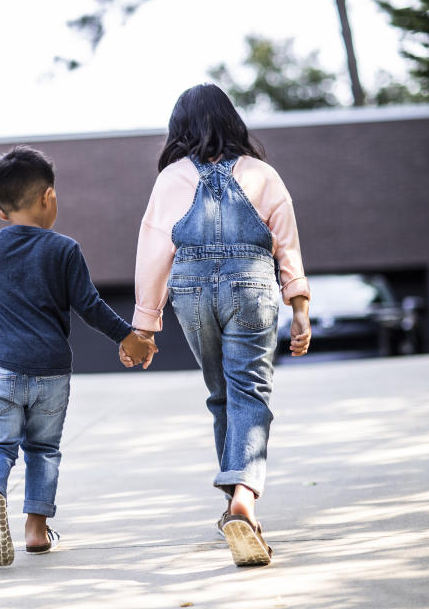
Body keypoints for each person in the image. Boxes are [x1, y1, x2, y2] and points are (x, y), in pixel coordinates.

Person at [124, 83, 311, 566]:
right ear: (233, 122)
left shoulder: (171, 178)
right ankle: (244, 503)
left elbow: (153, 251)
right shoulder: (262, 173)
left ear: (179, 129)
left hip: (190, 289)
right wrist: (299, 304)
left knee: (221, 393)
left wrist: (145, 325)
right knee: (249, 390)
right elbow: (285, 241)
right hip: (252, 283)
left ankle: (233, 504)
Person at [0, 146, 158, 567]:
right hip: (50, 372)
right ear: (48, 197)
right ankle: (35, 530)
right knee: (43, 450)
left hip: (0, 367)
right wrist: (129, 337)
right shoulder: (65, 249)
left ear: (1, 209)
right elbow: (90, 305)